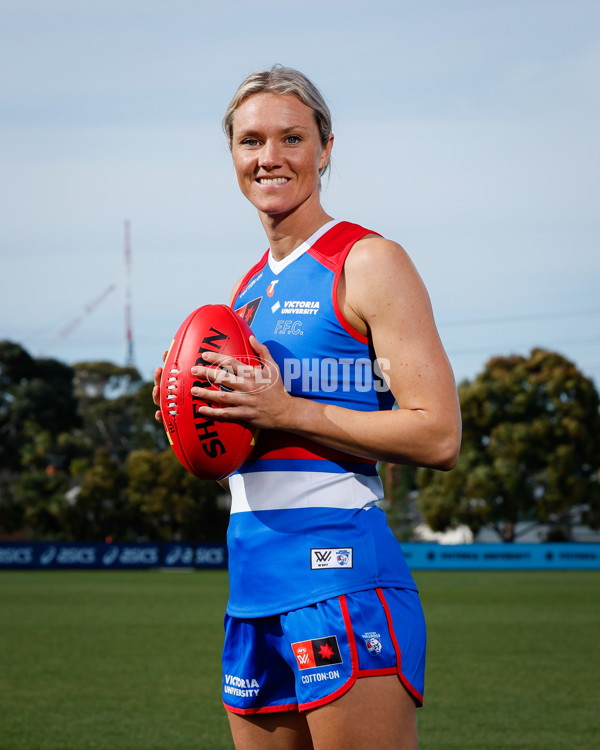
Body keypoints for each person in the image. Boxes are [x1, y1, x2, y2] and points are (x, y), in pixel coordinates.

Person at [154, 65, 461, 750]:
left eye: (292, 138)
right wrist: (191, 416)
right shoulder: (245, 296)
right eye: (251, 141)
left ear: (325, 148)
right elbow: (241, 449)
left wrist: (287, 410)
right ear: (232, 156)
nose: (270, 157)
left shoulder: (368, 261)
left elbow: (439, 434)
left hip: (341, 575)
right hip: (253, 583)